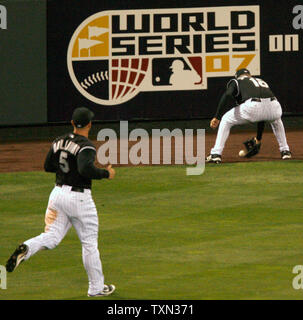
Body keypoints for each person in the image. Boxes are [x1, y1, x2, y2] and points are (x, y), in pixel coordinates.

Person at [6, 107, 116, 297]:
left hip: (57, 195)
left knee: (52, 236)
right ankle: (96, 288)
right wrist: (106, 173)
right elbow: (85, 169)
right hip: (80, 199)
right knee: (89, 244)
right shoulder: (87, 146)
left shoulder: (58, 141)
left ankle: (27, 247)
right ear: (90, 124)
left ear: (72, 123)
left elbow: (48, 166)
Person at [206, 68, 292, 163]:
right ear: (249, 75)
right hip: (275, 106)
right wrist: (258, 138)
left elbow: (227, 95)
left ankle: (216, 154)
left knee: (226, 119)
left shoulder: (237, 80)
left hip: (253, 106)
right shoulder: (260, 81)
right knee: (276, 120)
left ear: (237, 76)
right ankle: (285, 151)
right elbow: (263, 113)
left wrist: (217, 117)